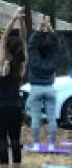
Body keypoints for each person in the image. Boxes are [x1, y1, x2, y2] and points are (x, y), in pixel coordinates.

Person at [0, 9, 28, 168]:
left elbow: (3, 39)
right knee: (15, 140)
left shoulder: (3, 64)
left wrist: (13, 18)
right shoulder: (21, 65)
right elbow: (24, 42)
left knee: (2, 141)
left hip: (0, 106)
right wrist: (21, 23)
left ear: (8, 50)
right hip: (15, 105)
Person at [28, 15, 68, 151]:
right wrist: (51, 30)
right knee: (51, 118)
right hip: (50, 88)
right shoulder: (53, 57)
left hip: (35, 88)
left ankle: (36, 144)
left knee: (36, 118)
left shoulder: (33, 56)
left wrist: (39, 30)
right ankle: (51, 145)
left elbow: (31, 44)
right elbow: (58, 46)